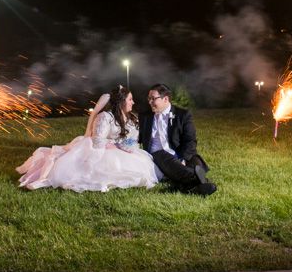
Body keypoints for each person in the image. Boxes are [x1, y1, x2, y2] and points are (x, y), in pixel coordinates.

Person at [16, 85, 158, 192]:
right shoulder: (105, 117)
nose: (133, 103)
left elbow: (133, 138)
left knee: (139, 166)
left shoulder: (131, 118)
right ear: (121, 101)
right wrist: (115, 145)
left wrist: (127, 146)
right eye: (130, 99)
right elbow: (97, 141)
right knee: (100, 169)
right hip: (101, 150)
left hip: (121, 148)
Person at [139, 83, 217, 196]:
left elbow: (190, 140)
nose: (150, 101)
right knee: (163, 155)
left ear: (165, 99)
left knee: (194, 160)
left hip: (179, 153)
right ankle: (198, 180)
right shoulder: (145, 115)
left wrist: (184, 159)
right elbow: (137, 136)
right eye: (149, 98)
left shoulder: (183, 115)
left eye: (153, 98)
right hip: (158, 155)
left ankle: (186, 187)